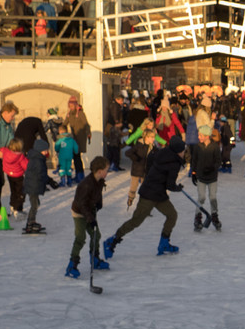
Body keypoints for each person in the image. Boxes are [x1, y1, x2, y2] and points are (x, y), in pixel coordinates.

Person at [104, 134, 186, 258]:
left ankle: (164, 243)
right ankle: (112, 241)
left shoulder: (161, 152)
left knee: (172, 215)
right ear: (178, 151)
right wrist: (177, 188)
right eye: (183, 150)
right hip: (149, 195)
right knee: (136, 221)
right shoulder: (174, 163)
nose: (184, 153)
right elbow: (170, 185)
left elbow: (151, 159)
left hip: (158, 194)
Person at [66, 156, 109, 288]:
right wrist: (90, 219)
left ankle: (94, 259)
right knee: (80, 237)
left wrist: (98, 204)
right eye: (106, 170)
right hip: (79, 212)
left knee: (96, 235)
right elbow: (81, 204)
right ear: (100, 170)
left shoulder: (99, 180)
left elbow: (97, 195)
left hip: (90, 210)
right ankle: (71, 265)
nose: (107, 172)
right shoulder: (86, 184)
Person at [191, 123, 222, 231]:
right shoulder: (197, 147)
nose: (198, 137)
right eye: (198, 135)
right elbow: (194, 160)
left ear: (207, 136)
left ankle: (214, 216)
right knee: (201, 197)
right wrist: (193, 173)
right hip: (201, 177)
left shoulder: (215, 147)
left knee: (213, 197)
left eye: (201, 135)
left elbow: (219, 161)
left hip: (212, 177)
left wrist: (212, 168)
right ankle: (197, 217)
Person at [23, 138, 51, 234]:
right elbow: (41, 174)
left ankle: (32, 221)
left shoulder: (37, 158)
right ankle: (30, 223)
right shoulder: (37, 160)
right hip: (32, 186)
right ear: (39, 150)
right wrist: (49, 181)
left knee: (35, 204)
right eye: (45, 150)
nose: (47, 152)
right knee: (34, 205)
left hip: (33, 185)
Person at [1, 137, 28, 218]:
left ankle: (12, 207)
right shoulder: (20, 156)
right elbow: (26, 166)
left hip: (10, 175)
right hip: (18, 176)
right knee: (21, 192)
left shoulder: (5, 151)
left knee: (13, 191)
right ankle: (18, 209)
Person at [65, 96, 90, 183]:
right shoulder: (69, 114)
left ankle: (80, 176)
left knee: (77, 157)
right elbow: (65, 123)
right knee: (76, 157)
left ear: (75, 105)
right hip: (73, 138)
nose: (70, 107)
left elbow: (86, 124)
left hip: (80, 138)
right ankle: (79, 176)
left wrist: (88, 133)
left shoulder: (80, 113)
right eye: (69, 105)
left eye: (72, 105)